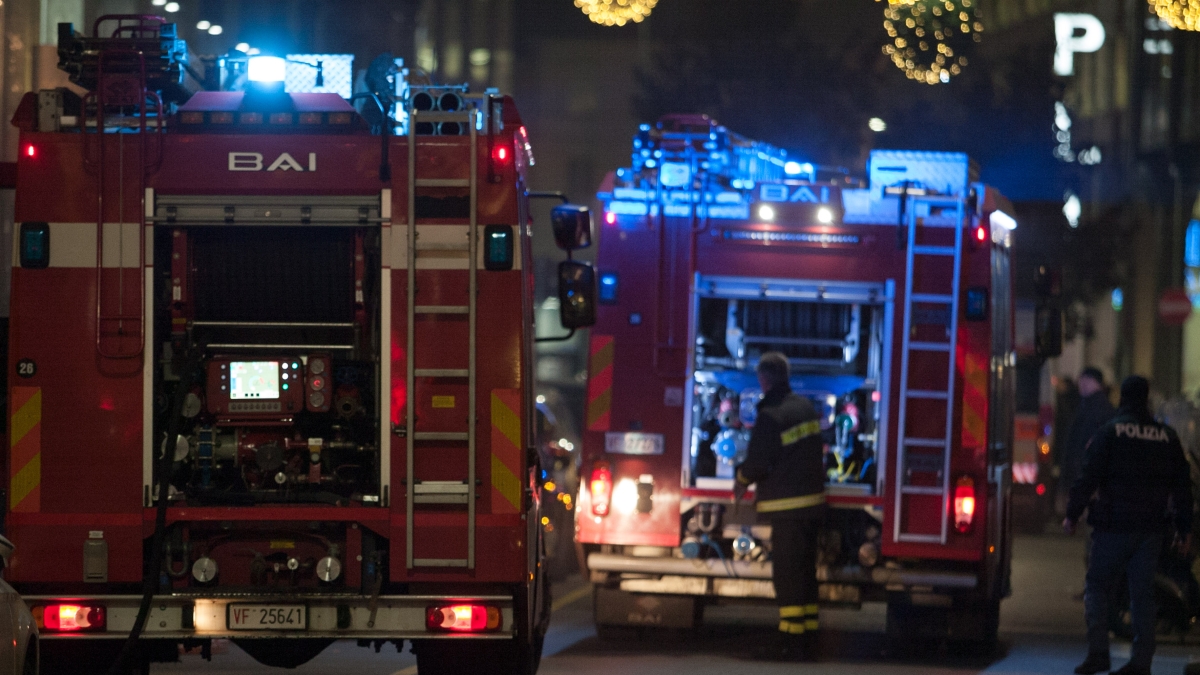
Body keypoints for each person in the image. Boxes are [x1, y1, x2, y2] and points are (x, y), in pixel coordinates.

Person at [1063, 376, 1194, 675]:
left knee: (1096, 587)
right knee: (1142, 594)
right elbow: (1182, 486)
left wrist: (1072, 515)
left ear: (1123, 398)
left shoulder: (1109, 433)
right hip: (1150, 531)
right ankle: (1141, 663)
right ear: (1146, 399)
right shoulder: (1167, 437)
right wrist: (1183, 529)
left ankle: (1098, 654)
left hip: (1113, 527)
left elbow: (1088, 477)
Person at [734, 352, 825, 661]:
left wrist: (741, 478)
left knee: (786, 574)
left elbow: (758, 462)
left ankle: (790, 639)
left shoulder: (771, 415)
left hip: (787, 506)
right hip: (812, 503)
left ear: (764, 380)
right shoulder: (805, 408)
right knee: (805, 571)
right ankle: (808, 636)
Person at [1061, 368, 1116, 499]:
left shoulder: (1096, 408)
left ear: (1094, 382)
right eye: (1081, 380)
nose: (1081, 384)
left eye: (1085, 380)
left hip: (1088, 473)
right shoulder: (1088, 405)